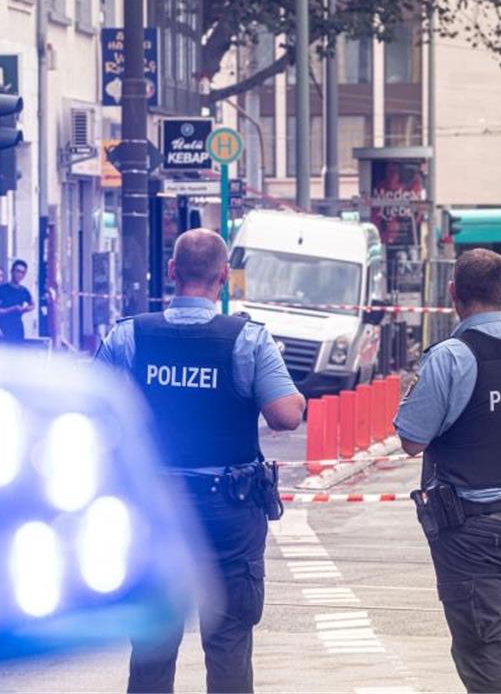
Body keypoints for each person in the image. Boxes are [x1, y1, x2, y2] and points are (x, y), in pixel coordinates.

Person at [94, 228, 305, 693]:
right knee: (228, 639)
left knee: (152, 641)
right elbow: (287, 415)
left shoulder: (130, 335)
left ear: (172, 271)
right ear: (224, 278)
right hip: (228, 509)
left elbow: (92, 410)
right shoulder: (247, 340)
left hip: (153, 508)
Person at [395, 248, 501, 693]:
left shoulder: (450, 359)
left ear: (452, 294)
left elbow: (411, 439)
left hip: (472, 535)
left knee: (484, 655)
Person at [0, 259, 34, 344]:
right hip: (3, 328)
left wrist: (24, 309)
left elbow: (32, 304)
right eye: (18, 271)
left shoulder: (23, 290)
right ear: (12, 271)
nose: (20, 275)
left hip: (17, 328)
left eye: (23, 272)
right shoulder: (2, 289)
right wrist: (13, 309)